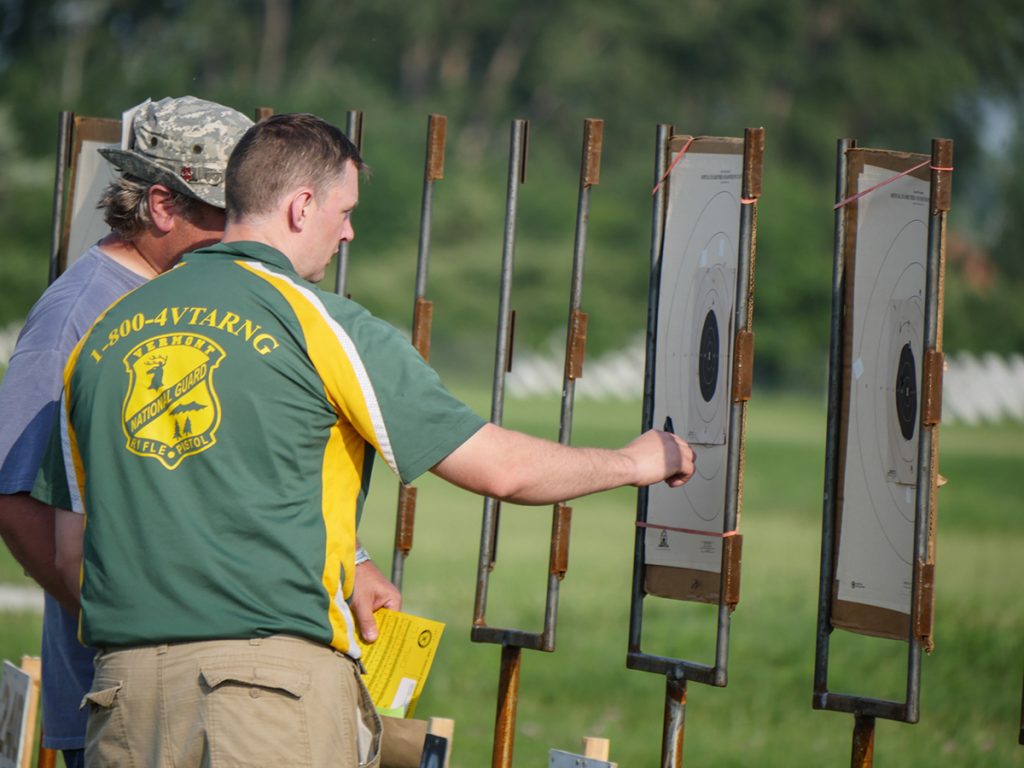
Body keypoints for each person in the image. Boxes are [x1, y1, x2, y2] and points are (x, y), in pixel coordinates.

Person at [33, 113, 695, 768]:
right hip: (264, 699)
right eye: (343, 210)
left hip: (122, 701)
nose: (348, 231)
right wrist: (637, 460)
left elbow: (70, 555)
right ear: (300, 206)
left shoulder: (103, 335)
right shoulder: (322, 323)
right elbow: (503, 471)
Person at [0, 97, 396, 768]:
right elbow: (14, 500)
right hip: (125, 695)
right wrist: (130, 618)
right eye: (229, 214)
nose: (253, 232)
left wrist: (351, 560)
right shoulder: (76, 315)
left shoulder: (215, 293)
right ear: (161, 206)